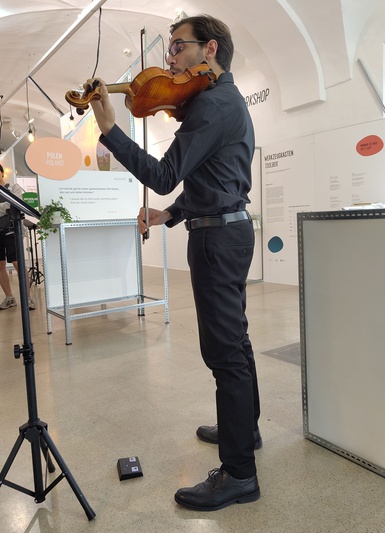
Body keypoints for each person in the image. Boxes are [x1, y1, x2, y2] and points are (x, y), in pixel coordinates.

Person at [87, 14, 261, 511]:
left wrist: (109, 128)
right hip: (229, 231)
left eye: (177, 47)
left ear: (210, 49)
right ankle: (244, 430)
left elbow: (164, 174)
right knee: (237, 342)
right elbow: (213, 179)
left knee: (224, 353)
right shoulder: (224, 100)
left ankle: (239, 474)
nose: (170, 60)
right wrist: (170, 214)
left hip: (216, 242)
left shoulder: (212, 104)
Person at [0, 164, 36, 310]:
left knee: (17, 263)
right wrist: (4, 207)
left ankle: (27, 298)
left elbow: (15, 205)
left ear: (2, 173)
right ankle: (9, 298)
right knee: (0, 265)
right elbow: (7, 206)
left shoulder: (13, 188)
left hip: (12, 231)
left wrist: (5, 207)